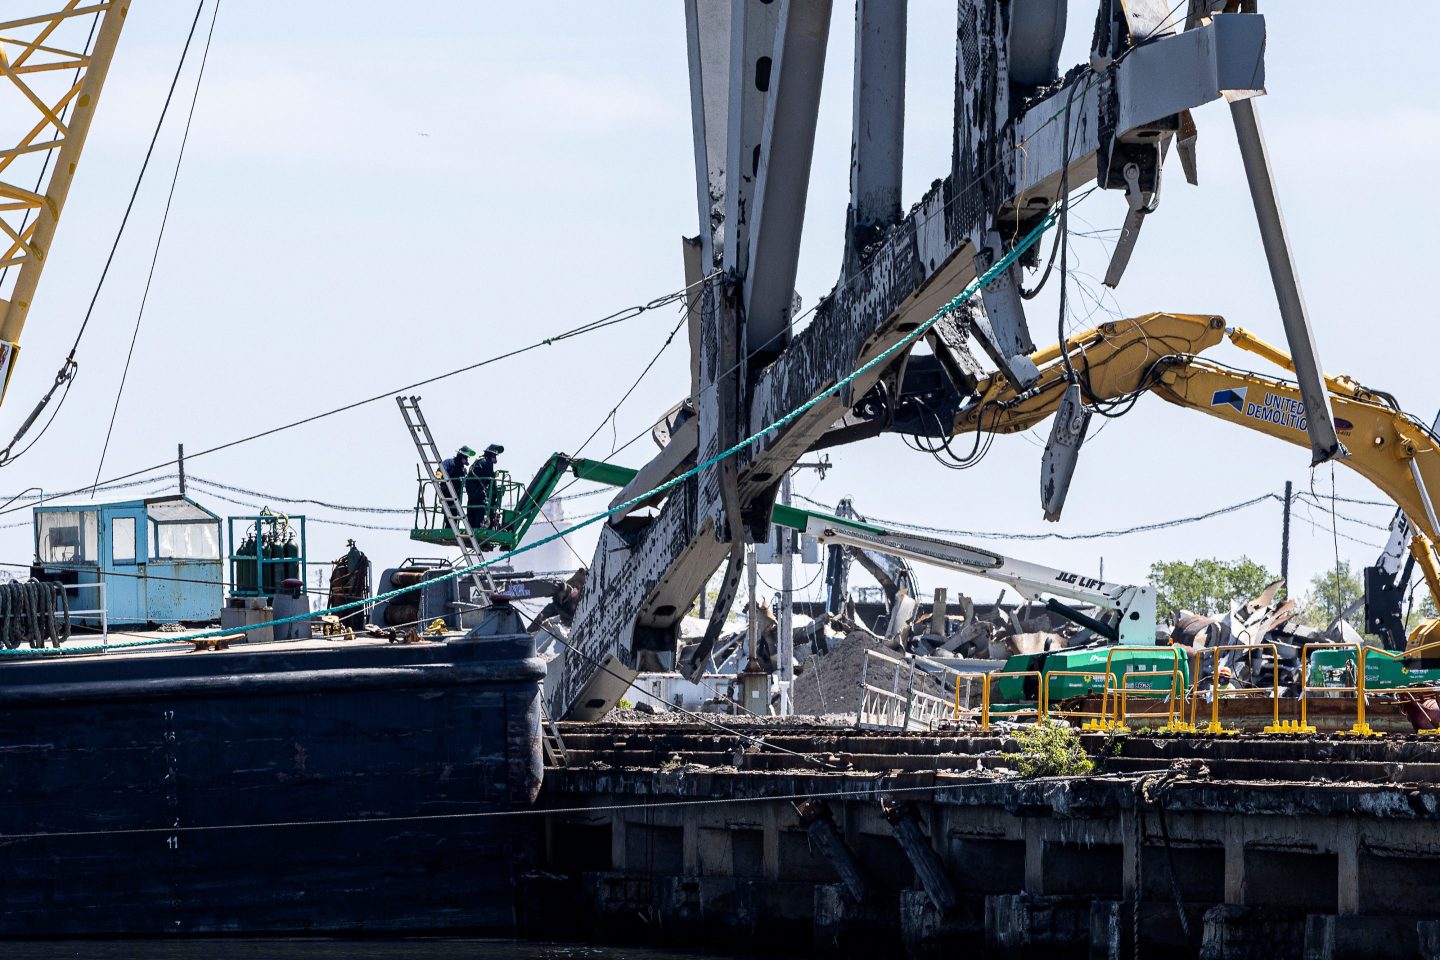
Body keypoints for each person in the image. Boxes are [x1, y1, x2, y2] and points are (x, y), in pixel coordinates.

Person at [467, 444, 504, 530]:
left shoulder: (478, 460)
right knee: (482, 508)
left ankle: (471, 528)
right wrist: (495, 491)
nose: (495, 459)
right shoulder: (487, 462)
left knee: (472, 508)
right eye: (495, 456)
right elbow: (490, 479)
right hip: (478, 489)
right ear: (491, 455)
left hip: (470, 490)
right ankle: (480, 528)